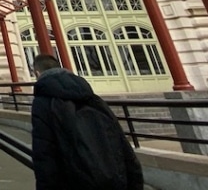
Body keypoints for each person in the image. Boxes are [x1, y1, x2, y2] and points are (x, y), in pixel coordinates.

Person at [30, 53, 143, 190]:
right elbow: (122, 143)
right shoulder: (91, 97)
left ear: (37, 73)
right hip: (112, 178)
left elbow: (44, 154)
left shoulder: (43, 102)